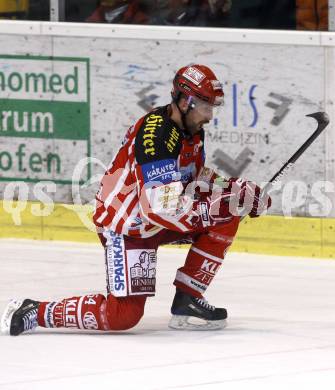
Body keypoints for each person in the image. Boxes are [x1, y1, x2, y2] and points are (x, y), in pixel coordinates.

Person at [1, 64, 271, 336]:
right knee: (122, 316)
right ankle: (34, 310)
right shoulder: (157, 135)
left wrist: (235, 188)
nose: (210, 116)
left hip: (155, 217)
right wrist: (215, 206)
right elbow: (159, 209)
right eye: (204, 106)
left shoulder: (192, 129)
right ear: (185, 101)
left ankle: (188, 299)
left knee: (229, 210)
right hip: (127, 227)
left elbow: (194, 175)